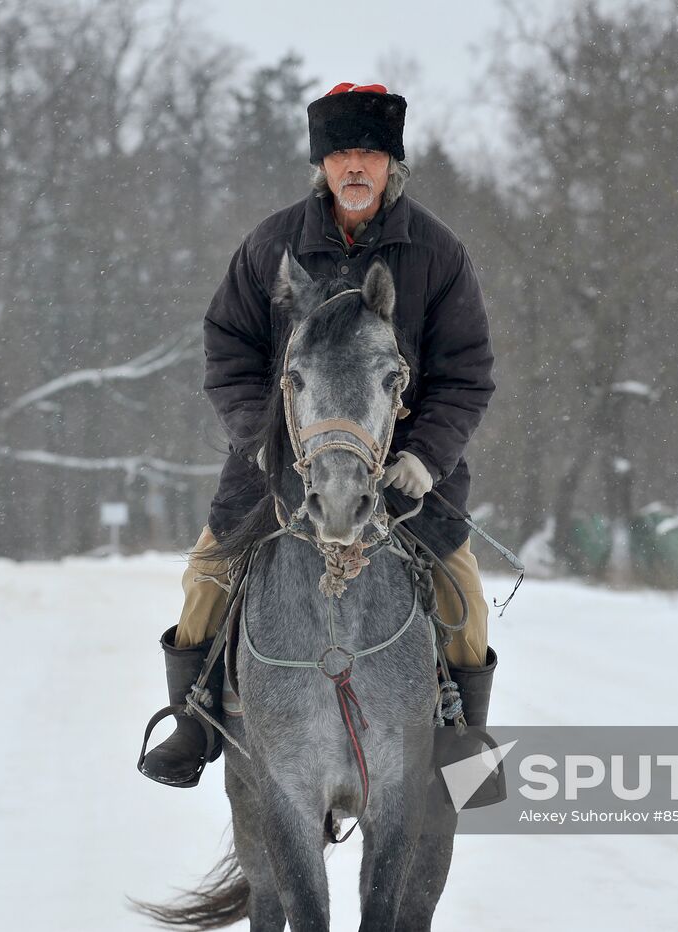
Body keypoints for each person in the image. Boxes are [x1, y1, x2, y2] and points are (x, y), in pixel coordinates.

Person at [139, 83, 498, 798]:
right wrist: (260, 439)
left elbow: (466, 374)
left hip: (403, 474)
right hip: (277, 465)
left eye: (368, 153)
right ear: (322, 165)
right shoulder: (270, 245)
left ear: (392, 163)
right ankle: (196, 720)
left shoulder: (437, 252)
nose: (354, 167)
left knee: (465, 597)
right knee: (206, 575)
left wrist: (425, 458)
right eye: (340, 154)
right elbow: (228, 350)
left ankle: (462, 743)